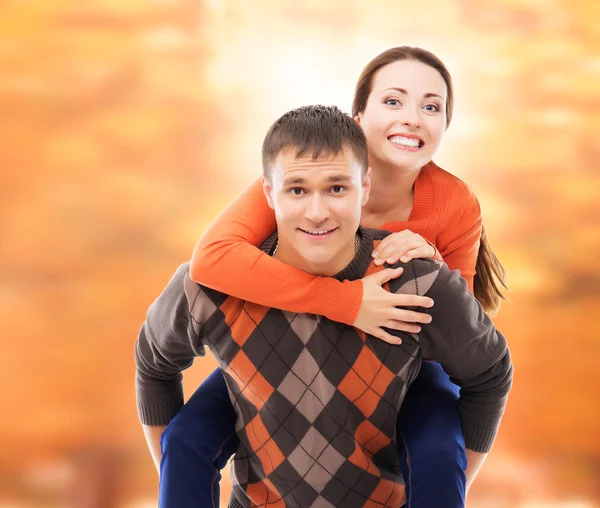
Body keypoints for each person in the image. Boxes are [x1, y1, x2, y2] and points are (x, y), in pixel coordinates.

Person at [136, 105, 513, 508]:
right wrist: (174, 473)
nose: (317, 214)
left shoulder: (416, 285)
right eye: (297, 189)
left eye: (337, 188)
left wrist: (461, 478)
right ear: (269, 193)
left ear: (364, 188)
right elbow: (154, 363)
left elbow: (490, 374)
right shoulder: (206, 288)